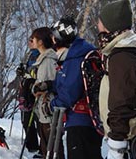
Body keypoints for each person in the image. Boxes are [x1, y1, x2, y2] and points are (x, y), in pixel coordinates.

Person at [35, 15, 102, 159]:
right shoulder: (81, 53)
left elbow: (69, 92)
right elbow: (68, 83)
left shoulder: (75, 58)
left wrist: (52, 105)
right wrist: (49, 85)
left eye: (54, 36)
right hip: (90, 119)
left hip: (80, 121)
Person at [97, 0, 136, 159]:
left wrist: (116, 145)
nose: (97, 25)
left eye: (100, 21)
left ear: (110, 25)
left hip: (130, 139)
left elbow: (122, 101)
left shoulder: (122, 56)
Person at [29, 27, 64, 159]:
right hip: (43, 111)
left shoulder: (49, 60)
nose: (32, 41)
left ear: (41, 42)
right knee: (45, 145)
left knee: (53, 147)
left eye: (34, 39)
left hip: (49, 111)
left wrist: (41, 89)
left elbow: (51, 85)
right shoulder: (43, 59)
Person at [17, 37, 41, 156]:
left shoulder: (42, 54)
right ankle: (32, 145)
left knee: (38, 120)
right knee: (26, 119)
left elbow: (37, 73)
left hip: (36, 90)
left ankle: (43, 148)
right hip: (27, 90)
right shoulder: (31, 54)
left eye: (32, 40)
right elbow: (29, 71)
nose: (29, 42)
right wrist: (22, 72)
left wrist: (27, 75)